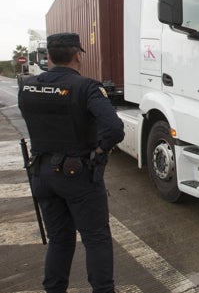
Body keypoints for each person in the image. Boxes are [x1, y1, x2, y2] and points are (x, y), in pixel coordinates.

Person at [18, 32, 125, 293]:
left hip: (41, 173)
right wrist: (98, 152)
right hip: (77, 175)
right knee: (96, 240)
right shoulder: (86, 87)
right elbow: (114, 128)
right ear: (77, 55)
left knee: (60, 241)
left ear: (49, 57)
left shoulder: (27, 86)